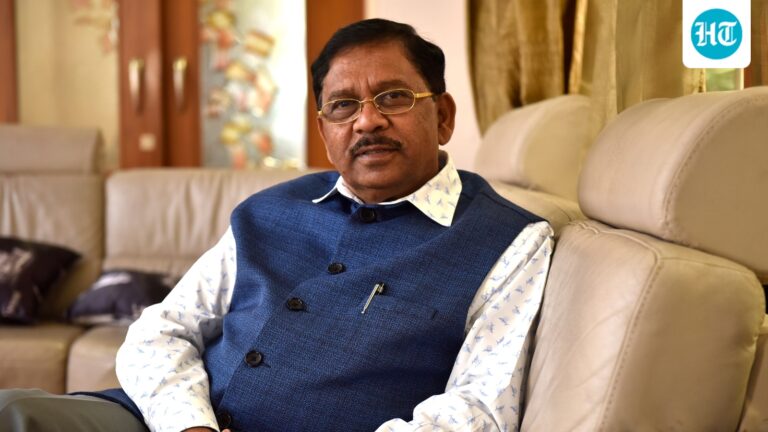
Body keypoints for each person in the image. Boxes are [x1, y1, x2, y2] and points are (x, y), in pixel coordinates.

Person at [0, 18, 553, 432]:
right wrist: (189, 425)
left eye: (393, 97)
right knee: (12, 412)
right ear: (325, 130)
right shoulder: (269, 209)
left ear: (444, 116)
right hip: (168, 422)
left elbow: (478, 409)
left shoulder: (510, 241)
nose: (367, 120)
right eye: (343, 106)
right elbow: (161, 329)